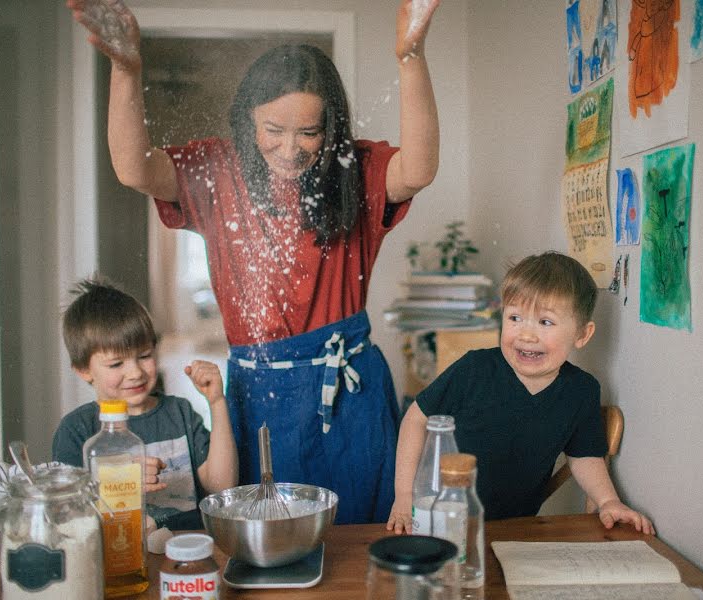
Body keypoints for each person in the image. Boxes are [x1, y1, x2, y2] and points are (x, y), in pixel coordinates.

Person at [67, 0, 440, 524]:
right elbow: (134, 169)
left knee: (359, 542)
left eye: (309, 133)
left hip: (351, 393)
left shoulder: (353, 167)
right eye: (274, 130)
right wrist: (126, 70)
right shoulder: (216, 169)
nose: (291, 149)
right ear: (248, 119)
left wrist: (411, 56)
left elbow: (418, 168)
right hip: (260, 394)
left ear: (329, 128)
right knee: (265, 536)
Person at [388, 252, 655, 534]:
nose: (526, 335)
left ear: (582, 335)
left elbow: (585, 456)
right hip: (441, 517)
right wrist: (404, 496)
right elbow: (416, 419)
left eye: (545, 322)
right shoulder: (473, 369)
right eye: (515, 317)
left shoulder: (581, 391)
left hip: (516, 528)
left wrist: (608, 500)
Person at [52, 278, 238, 531]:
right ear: (84, 370)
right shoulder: (76, 429)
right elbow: (65, 512)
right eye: (116, 364)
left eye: (144, 356)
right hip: (114, 553)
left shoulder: (179, 412)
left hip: (183, 545)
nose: (135, 372)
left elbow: (221, 487)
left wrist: (217, 401)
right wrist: (121, 481)